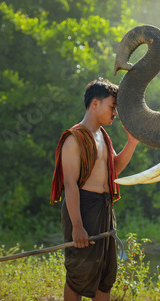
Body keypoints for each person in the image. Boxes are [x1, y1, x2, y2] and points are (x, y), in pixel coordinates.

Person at [50, 78, 139, 301]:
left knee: (105, 275)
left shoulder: (103, 137)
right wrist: (77, 226)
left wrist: (132, 142)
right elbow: (70, 185)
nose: (115, 112)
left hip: (104, 208)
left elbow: (114, 168)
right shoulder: (74, 139)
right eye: (113, 106)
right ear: (95, 104)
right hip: (83, 209)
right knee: (80, 274)